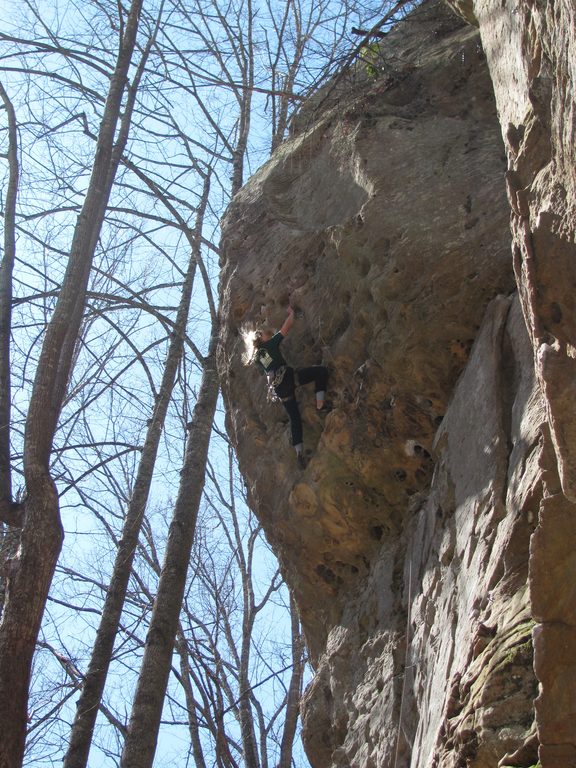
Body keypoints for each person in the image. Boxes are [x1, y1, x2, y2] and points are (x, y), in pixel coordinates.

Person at [249, 306, 329, 468]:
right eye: (267, 334)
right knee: (321, 371)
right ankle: (320, 404)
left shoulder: (258, 357)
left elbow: (268, 372)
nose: (269, 335)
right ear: (261, 337)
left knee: (294, 418)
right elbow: (286, 327)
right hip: (288, 377)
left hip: (280, 389)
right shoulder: (269, 345)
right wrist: (291, 313)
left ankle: (299, 452)